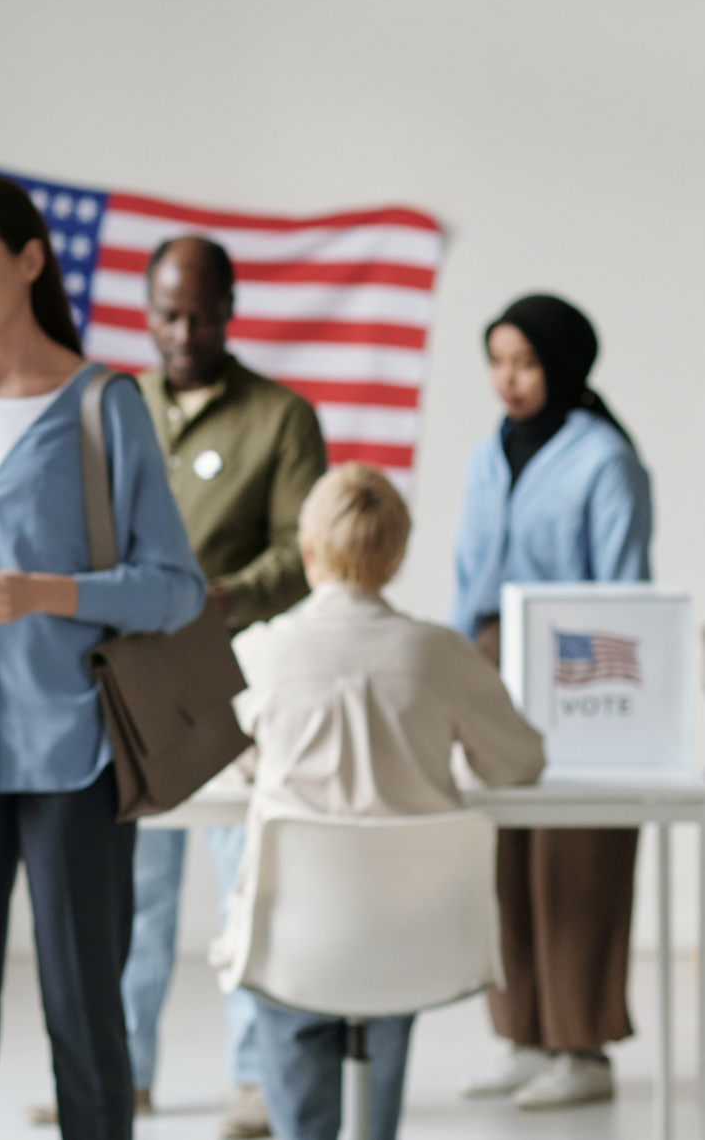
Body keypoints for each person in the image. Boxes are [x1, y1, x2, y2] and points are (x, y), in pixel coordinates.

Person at [0, 173, 206, 1140]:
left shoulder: (103, 404)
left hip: (75, 754)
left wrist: (52, 594)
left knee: (85, 1013)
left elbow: (176, 587)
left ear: (30, 261)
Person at [214, 462, 546, 1140]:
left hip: (292, 943)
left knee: (299, 1089)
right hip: (412, 938)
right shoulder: (442, 654)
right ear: (396, 556)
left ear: (308, 553)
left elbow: (232, 765)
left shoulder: (260, 654)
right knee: (381, 1058)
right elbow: (520, 762)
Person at [120, 236, 327, 1138]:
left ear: (230, 309)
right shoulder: (116, 405)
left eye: (202, 313)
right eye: (169, 313)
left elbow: (306, 550)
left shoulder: (280, 418)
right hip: (124, 683)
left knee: (249, 882)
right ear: (147, 310)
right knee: (135, 893)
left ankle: (253, 1079)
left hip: (238, 681)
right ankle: (121, 1075)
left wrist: (226, 594)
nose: (185, 331)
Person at [451, 294, 653, 1110]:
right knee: (502, 851)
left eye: (526, 363)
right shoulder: (484, 454)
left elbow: (626, 588)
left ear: (564, 365)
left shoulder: (606, 459)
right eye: (498, 361)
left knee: (577, 854)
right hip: (493, 661)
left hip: (579, 664)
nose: (509, 379)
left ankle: (585, 1045)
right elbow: (468, 576)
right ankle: (525, 1035)